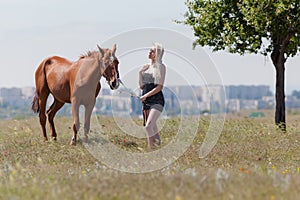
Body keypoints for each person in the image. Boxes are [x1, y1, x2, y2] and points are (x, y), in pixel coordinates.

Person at [139, 43, 166, 149]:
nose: (149, 52)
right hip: (146, 101)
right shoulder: (146, 67)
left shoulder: (161, 67)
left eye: (152, 51)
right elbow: (142, 86)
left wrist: (145, 95)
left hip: (157, 101)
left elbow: (159, 87)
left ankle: (151, 150)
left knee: (148, 126)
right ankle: (159, 149)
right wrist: (140, 72)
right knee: (153, 128)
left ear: (157, 54)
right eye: (149, 50)